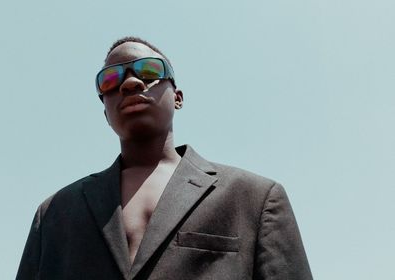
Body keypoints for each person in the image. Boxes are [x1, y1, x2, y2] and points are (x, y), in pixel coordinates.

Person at [16, 37, 313, 280]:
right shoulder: (55, 213)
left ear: (178, 97)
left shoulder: (253, 199)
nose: (130, 84)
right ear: (105, 113)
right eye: (110, 79)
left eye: (148, 71)